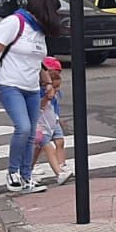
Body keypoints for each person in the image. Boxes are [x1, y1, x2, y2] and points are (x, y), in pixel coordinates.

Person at [0, 0, 59, 194]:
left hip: (32, 87)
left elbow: (37, 60)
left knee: (31, 133)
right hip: (9, 83)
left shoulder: (38, 30)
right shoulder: (14, 23)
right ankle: (13, 172)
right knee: (23, 127)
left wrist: (48, 82)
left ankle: (27, 177)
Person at [34, 57, 72, 186]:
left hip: (51, 124)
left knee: (53, 144)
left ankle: (29, 170)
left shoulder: (55, 94)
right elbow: (38, 108)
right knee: (49, 149)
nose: (56, 90)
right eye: (54, 87)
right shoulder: (40, 94)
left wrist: (58, 119)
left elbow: (54, 109)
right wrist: (46, 98)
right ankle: (59, 173)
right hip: (40, 128)